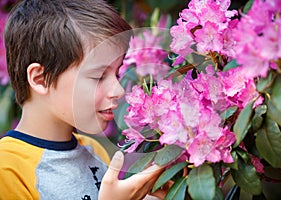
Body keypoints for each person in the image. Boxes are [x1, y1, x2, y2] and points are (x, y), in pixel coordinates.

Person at [0, 0, 166, 199]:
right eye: (98, 76)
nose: (119, 90)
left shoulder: (93, 149)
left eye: (117, 74)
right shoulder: (7, 168)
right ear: (40, 79)